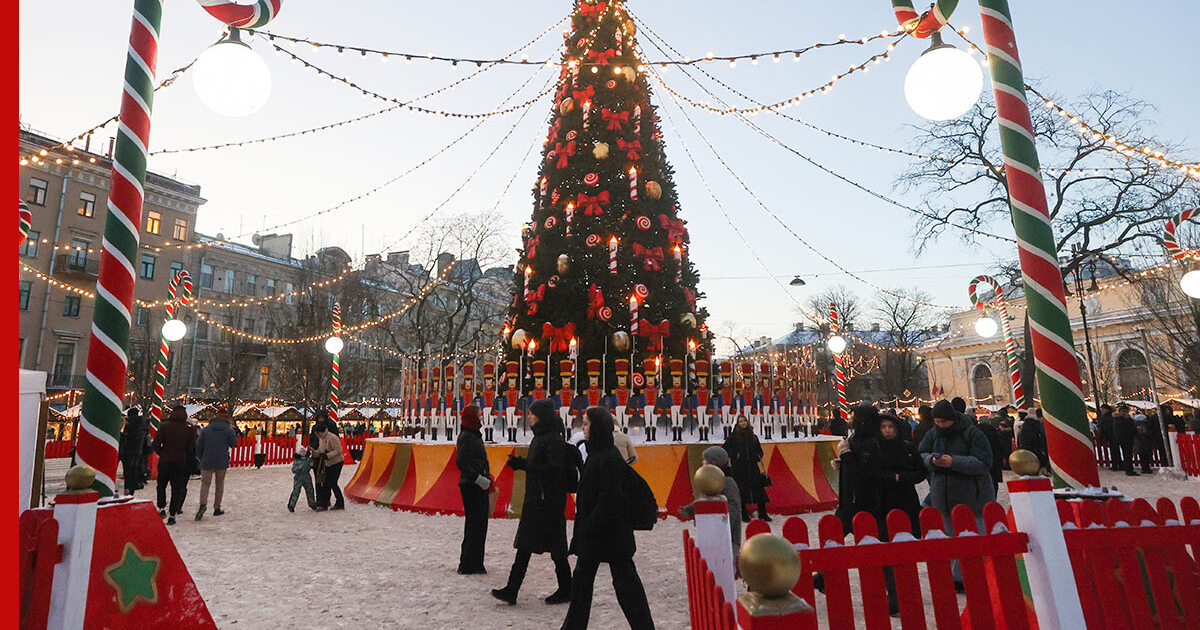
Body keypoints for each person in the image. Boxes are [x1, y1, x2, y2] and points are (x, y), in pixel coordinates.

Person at [560, 406, 654, 630]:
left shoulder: (607, 458)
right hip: (603, 534)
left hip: (607, 535)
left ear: (598, 427)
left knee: (625, 585)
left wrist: (589, 526)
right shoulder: (598, 454)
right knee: (586, 582)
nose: (582, 428)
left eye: (586, 423)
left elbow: (608, 499)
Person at [493, 398, 575, 604]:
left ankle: (563, 589)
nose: (529, 416)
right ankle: (515, 589)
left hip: (546, 502)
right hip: (541, 500)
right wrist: (524, 465)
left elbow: (553, 471)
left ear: (542, 416)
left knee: (548, 548)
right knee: (535, 547)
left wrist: (525, 465)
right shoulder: (542, 437)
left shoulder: (551, 440)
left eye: (532, 413)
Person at [919, 400, 995, 586]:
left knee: (974, 538)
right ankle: (957, 578)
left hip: (972, 497)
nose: (940, 426)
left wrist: (954, 462)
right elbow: (920, 455)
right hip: (942, 497)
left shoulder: (973, 434)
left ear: (952, 419)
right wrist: (931, 460)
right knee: (951, 539)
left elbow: (983, 463)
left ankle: (978, 575)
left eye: (943, 422)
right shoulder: (932, 435)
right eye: (937, 422)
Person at [678, 446, 742, 559]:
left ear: (714, 463)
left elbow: (733, 506)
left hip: (728, 537)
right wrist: (689, 510)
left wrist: (725, 525)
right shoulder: (711, 481)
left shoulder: (727, 482)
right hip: (712, 532)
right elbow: (705, 501)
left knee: (726, 563)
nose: (702, 462)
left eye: (705, 460)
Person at [834, 406, 884, 534]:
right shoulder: (858, 439)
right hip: (854, 498)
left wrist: (846, 454)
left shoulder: (870, 443)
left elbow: (862, 471)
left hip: (862, 499)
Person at [456, 405, 492, 576]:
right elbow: (461, 461)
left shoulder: (473, 435)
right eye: (479, 415)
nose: (481, 417)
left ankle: (476, 561)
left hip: (477, 483)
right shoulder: (468, 437)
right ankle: (468, 563)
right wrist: (478, 478)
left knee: (479, 524)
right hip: (472, 485)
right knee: (475, 523)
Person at [879, 414, 925, 535]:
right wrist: (889, 477)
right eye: (883, 427)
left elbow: (921, 471)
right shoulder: (876, 449)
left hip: (907, 497)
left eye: (890, 426)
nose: (887, 430)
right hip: (884, 498)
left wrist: (903, 477)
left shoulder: (907, 448)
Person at [151, 406, 196, 525]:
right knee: (176, 488)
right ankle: (172, 514)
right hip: (181, 462)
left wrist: (163, 452)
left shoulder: (165, 426)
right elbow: (191, 448)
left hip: (165, 460)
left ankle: (161, 508)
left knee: (161, 485)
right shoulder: (189, 429)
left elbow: (155, 444)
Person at [723, 415, 770, 522]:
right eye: (740, 421)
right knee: (741, 491)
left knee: (759, 490)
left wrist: (757, 456)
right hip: (739, 468)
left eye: (744, 421)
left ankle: (763, 513)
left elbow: (760, 451)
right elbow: (725, 449)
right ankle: (744, 514)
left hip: (753, 467)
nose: (743, 423)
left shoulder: (753, 437)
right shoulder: (733, 437)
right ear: (737, 423)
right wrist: (735, 455)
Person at [195, 415, 238, 520]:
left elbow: (198, 445)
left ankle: (203, 504)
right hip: (221, 460)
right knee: (219, 484)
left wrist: (201, 457)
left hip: (207, 459)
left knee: (205, 484)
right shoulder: (228, 429)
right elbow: (234, 444)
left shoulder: (206, 430)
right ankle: (217, 507)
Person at [312, 416, 346, 510]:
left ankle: (340, 502)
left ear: (321, 432)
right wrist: (315, 453)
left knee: (333, 483)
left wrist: (328, 455)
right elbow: (320, 449)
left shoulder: (332, 438)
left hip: (336, 462)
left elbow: (338, 450)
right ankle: (324, 502)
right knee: (326, 483)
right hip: (327, 463)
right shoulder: (321, 438)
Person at [118, 407, 148, 496]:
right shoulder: (144, 425)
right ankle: (133, 488)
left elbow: (125, 440)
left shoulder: (129, 426)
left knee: (128, 472)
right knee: (135, 470)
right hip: (139, 452)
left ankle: (128, 488)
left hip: (128, 452)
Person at [288, 446, 317, 512]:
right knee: (296, 491)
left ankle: (312, 503)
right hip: (298, 478)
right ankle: (291, 505)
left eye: (304, 451)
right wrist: (298, 468)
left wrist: (312, 465)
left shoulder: (308, 459)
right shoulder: (296, 462)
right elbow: (293, 470)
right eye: (301, 451)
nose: (303, 452)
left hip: (307, 477)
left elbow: (312, 465)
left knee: (310, 490)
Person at [1111, 404, 1138, 476]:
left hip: (1118, 438)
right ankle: (1129, 470)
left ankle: (1123, 467)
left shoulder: (1115, 419)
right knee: (1128, 455)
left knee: (1122, 454)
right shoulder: (1128, 420)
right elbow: (1133, 429)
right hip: (1127, 439)